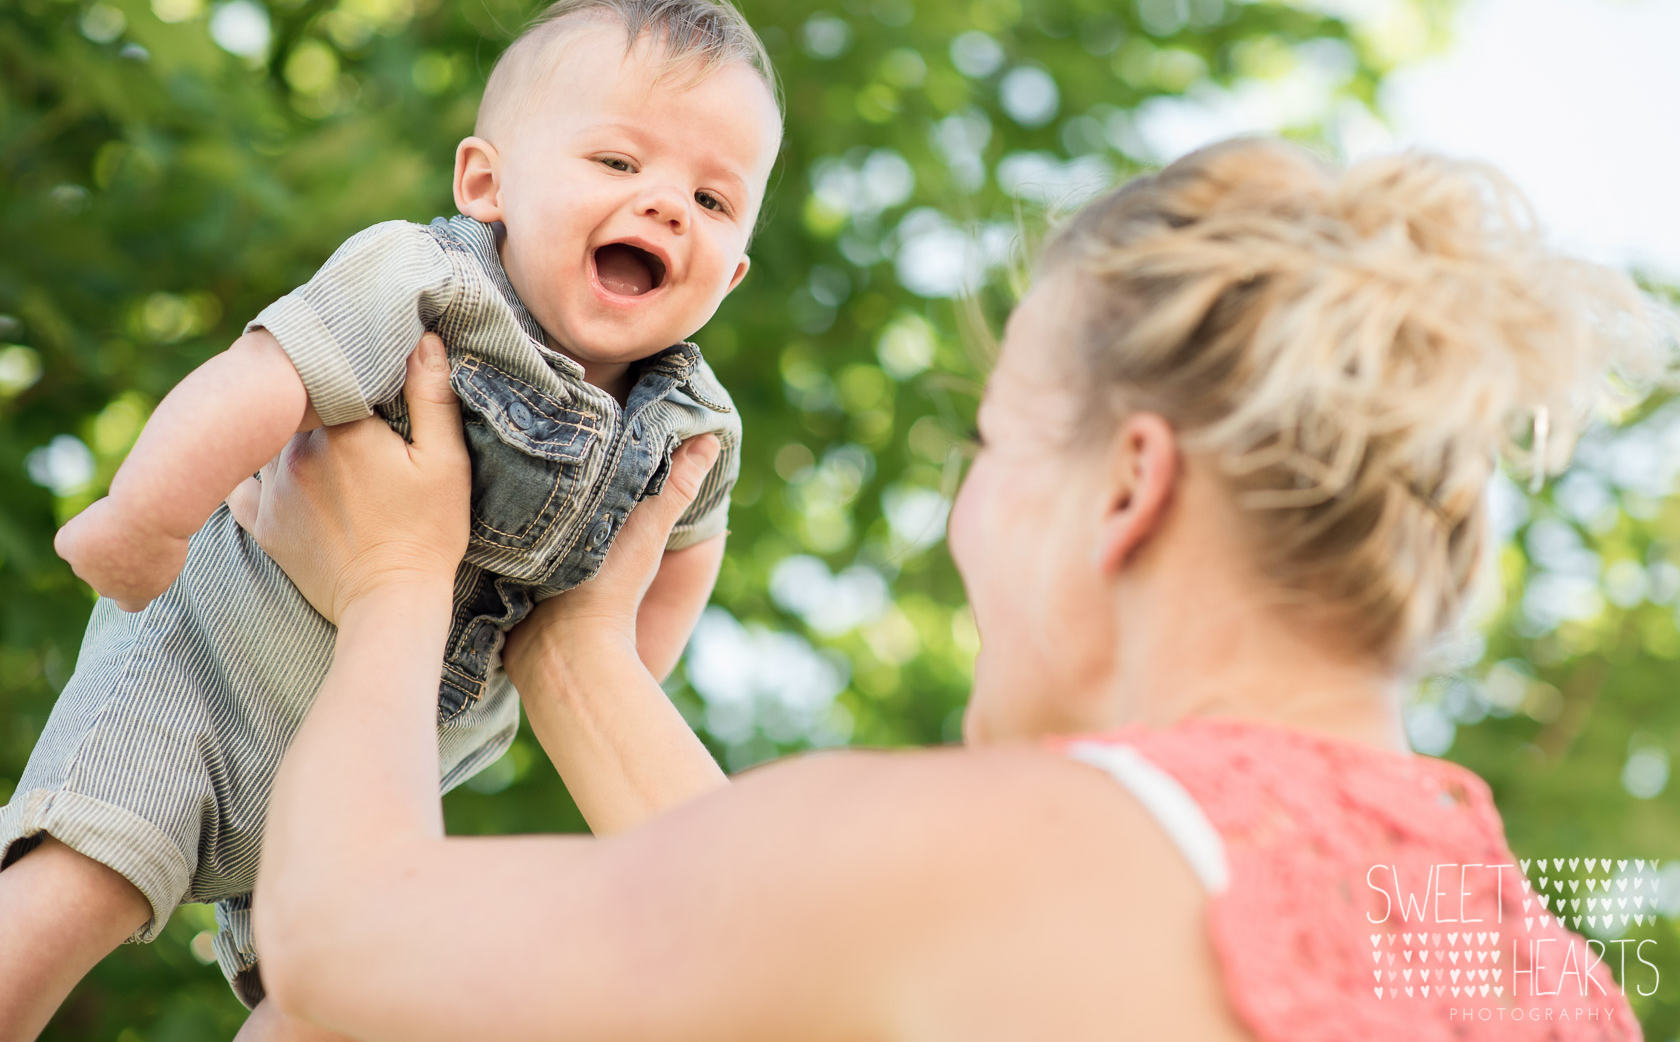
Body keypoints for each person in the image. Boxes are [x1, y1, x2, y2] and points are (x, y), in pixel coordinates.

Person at [232, 139, 1658, 1040]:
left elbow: (342, 937)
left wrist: (398, 576)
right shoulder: (1528, 974)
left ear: (1126, 487)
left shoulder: (1029, 852)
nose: (963, 512)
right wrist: (578, 661)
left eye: (992, 442)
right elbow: (836, 956)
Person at [0, 0, 783, 1031]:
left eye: (713, 199)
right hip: (207, 674)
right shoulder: (428, 284)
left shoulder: (691, 427)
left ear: (731, 274)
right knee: (70, 891)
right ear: (486, 182)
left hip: (374, 768)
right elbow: (266, 372)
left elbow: (682, 551)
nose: (665, 206)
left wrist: (625, 669)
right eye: (617, 162)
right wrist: (149, 515)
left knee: (352, 996)